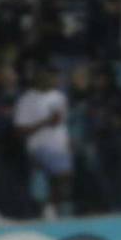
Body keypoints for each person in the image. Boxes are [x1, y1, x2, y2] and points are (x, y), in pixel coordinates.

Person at [14, 64, 73, 218]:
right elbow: (20, 129)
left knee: (63, 181)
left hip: (60, 145)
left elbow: (61, 124)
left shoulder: (60, 97)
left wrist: (67, 143)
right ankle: (46, 209)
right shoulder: (27, 99)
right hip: (38, 146)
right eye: (50, 75)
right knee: (58, 177)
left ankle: (53, 209)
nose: (54, 79)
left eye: (56, 76)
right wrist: (45, 122)